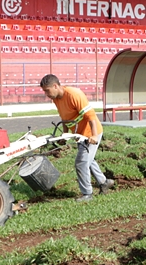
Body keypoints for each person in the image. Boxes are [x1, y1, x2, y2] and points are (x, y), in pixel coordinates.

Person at [39, 74, 114, 202]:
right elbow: (65, 117)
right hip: (79, 134)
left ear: (55, 86)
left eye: (47, 90)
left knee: (81, 162)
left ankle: (87, 194)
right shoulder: (56, 98)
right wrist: (65, 134)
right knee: (88, 160)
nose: (46, 94)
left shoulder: (74, 94)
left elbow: (91, 116)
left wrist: (94, 135)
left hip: (90, 133)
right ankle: (104, 182)